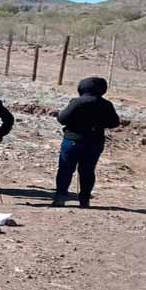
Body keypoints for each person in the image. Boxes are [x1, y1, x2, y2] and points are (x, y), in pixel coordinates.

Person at [52, 76, 120, 208]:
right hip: (95, 142)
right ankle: (84, 200)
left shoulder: (77, 102)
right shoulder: (106, 104)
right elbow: (114, 123)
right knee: (88, 171)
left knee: (66, 169)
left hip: (73, 141)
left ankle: (60, 198)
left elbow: (62, 118)